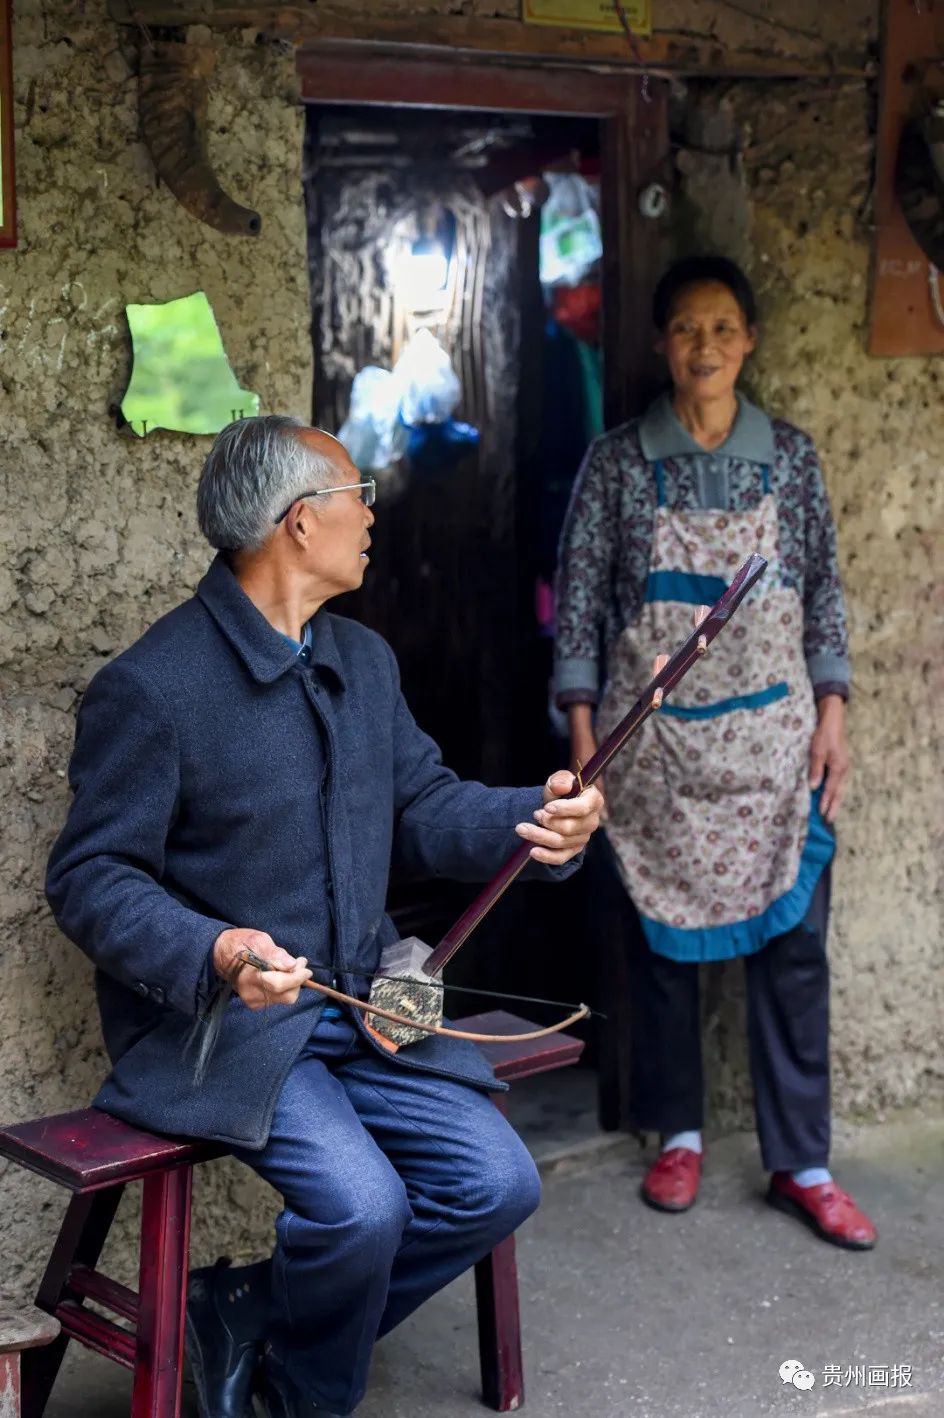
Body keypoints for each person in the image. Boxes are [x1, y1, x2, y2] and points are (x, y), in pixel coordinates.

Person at [45, 416, 606, 1418]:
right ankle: (306, 1397)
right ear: (300, 521)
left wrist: (535, 818)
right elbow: (92, 874)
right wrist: (213, 948)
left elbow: (427, 809)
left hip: (359, 1004)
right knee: (362, 1206)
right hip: (225, 1027)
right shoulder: (155, 687)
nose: (371, 514)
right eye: (359, 493)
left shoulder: (361, 660)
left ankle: (251, 1312)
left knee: (496, 1182)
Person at [554, 256, 876, 1251]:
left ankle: (801, 1159)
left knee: (793, 949)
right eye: (686, 329)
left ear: (747, 343)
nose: (703, 347)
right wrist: (579, 732)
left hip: (775, 741)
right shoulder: (614, 460)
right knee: (657, 950)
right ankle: (678, 1132)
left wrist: (831, 704)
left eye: (722, 329)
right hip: (652, 750)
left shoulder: (787, 456)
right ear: (660, 343)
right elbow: (577, 597)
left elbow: (820, 581)